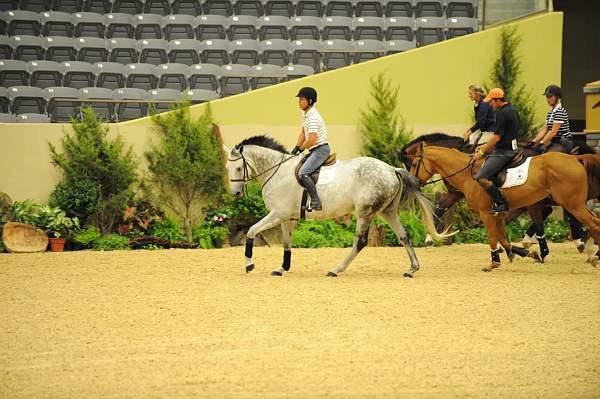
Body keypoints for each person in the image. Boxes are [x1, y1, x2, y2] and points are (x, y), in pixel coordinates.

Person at [473, 88, 519, 215]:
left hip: (504, 152)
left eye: (492, 102)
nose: (490, 105)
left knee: (481, 177)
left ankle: (501, 203)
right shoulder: (513, 110)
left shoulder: (502, 113)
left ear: (498, 100)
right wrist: (487, 147)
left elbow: (497, 137)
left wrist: (482, 151)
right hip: (512, 148)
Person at [290, 87, 330, 211]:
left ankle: (316, 202)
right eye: (299, 99)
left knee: (303, 173)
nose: (299, 102)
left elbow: (312, 139)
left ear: (310, 101)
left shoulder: (313, 117)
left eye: (302, 99)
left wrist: (301, 148)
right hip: (313, 150)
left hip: (320, 150)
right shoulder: (305, 114)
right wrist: (296, 147)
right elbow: (303, 131)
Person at [530, 85, 573, 153]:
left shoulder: (560, 111)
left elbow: (553, 132)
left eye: (550, 96)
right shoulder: (550, 113)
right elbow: (543, 131)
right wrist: (533, 142)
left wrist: (542, 143)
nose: (548, 99)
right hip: (553, 142)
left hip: (563, 143)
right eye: (547, 97)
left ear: (557, 97)